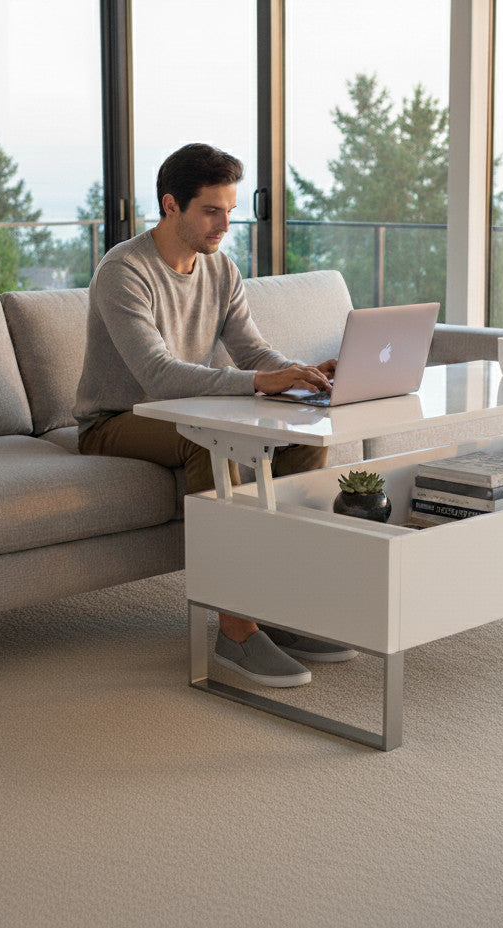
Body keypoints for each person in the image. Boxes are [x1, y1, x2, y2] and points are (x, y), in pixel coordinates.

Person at [74, 142, 356, 688]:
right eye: (212, 210)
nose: (225, 223)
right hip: (115, 420)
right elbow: (158, 376)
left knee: (305, 437)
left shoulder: (220, 268)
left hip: (187, 407)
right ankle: (236, 628)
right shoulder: (124, 272)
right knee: (208, 442)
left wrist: (299, 373)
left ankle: (283, 610)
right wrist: (258, 383)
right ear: (171, 204)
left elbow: (252, 352)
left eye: (231, 209)